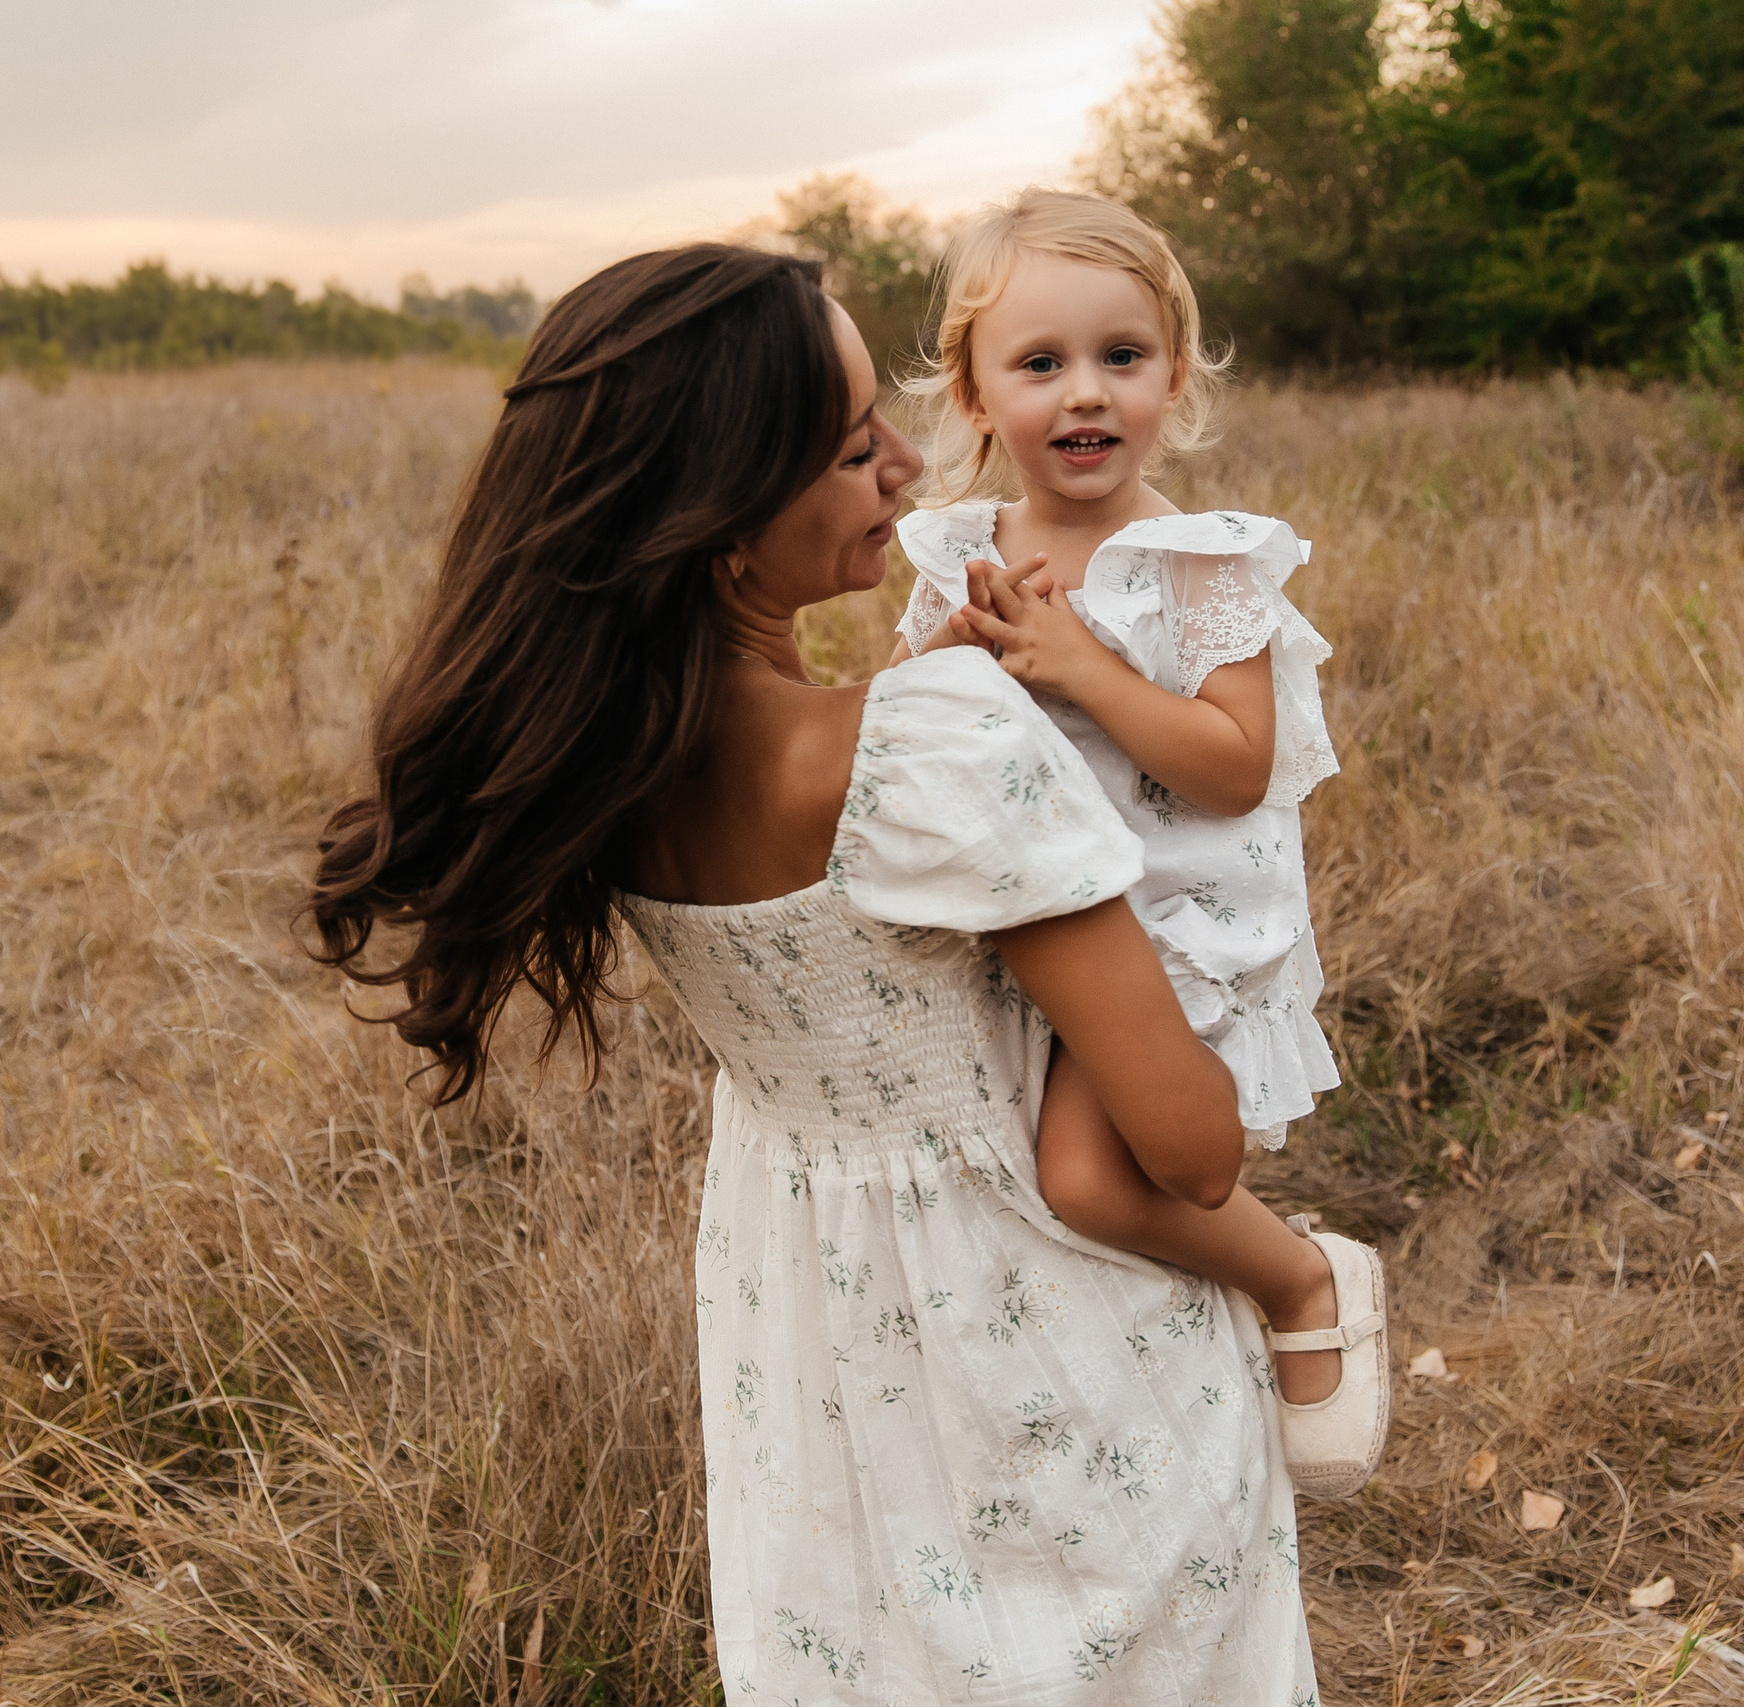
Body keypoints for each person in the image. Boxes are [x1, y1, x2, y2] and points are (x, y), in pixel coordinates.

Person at [309, 245, 1324, 1702]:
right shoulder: (930, 743)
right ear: (721, 521)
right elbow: (1193, 1147)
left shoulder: (606, 763)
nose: (909, 466)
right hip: (1060, 1340)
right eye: (854, 450)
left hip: (816, 1353)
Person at [887, 190, 1387, 1497]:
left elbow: (1233, 770)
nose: (1085, 393)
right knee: (1008, 1192)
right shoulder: (962, 556)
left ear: (1175, 375)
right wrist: (952, 664)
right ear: (975, 393)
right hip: (1023, 924)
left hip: (1170, 918)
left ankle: (1304, 1279)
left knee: (1095, 1179)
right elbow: (909, 735)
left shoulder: (1198, 564)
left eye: (1122, 355)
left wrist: (1084, 666)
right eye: (1039, 363)